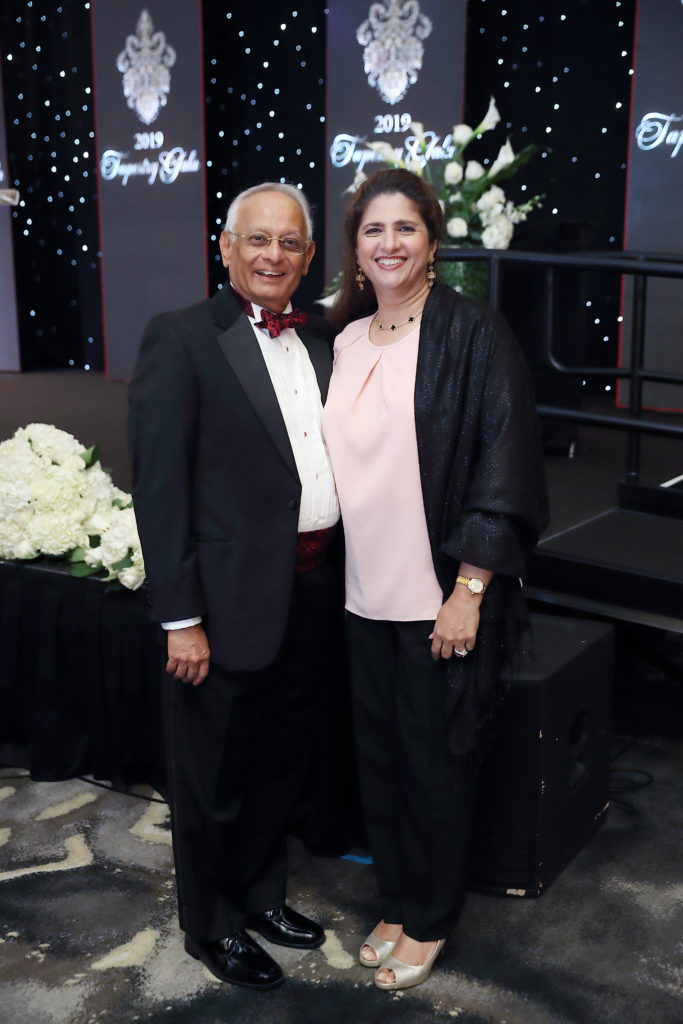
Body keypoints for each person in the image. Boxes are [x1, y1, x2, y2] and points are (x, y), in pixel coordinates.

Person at [322, 169, 548, 991]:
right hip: (358, 594)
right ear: (355, 248)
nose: (388, 243)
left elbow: (504, 463)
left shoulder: (472, 335)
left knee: (435, 765)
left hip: (435, 597)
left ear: (431, 241)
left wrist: (470, 587)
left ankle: (430, 919)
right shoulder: (343, 341)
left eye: (405, 229)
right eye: (372, 229)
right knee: (379, 762)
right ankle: (395, 899)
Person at [128, 182, 341, 991]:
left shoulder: (322, 338)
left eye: (289, 244)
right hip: (220, 604)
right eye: (256, 240)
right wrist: (180, 617)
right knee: (211, 777)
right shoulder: (180, 338)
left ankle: (260, 896)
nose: (272, 256)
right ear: (224, 247)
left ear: (309, 257)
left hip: (314, 589)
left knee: (279, 763)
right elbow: (160, 488)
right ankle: (210, 923)